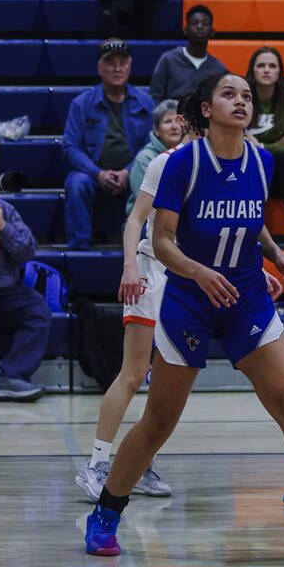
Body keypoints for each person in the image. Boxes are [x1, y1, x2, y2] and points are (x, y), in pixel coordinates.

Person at [83, 74, 284, 558]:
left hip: (246, 296)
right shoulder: (181, 164)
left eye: (247, 96)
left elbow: (250, 223)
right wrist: (201, 273)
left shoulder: (260, 159)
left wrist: (277, 255)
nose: (241, 101)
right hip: (191, 298)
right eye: (229, 94)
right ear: (208, 109)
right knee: (159, 420)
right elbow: (163, 241)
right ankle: (106, 511)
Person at [75, 104, 192, 502]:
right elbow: (134, 220)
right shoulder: (166, 162)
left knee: (166, 379)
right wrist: (129, 268)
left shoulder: (217, 165)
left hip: (186, 276)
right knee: (133, 372)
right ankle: (96, 464)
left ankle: (138, 462)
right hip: (152, 271)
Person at [62, 39, 154, 250]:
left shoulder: (145, 102)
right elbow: (70, 147)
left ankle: (143, 251)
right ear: (99, 68)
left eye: (122, 62)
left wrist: (128, 172)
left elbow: (152, 144)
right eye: (110, 63)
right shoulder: (81, 103)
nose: (117, 68)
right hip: (93, 175)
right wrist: (97, 174)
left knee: (150, 180)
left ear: (130, 67)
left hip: (132, 173)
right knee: (76, 183)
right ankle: (79, 252)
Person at [245, 46, 284, 248]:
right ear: (252, 70)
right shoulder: (242, 99)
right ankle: (248, 230)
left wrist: (261, 144)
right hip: (247, 170)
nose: (266, 70)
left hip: (279, 177)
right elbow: (237, 142)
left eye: (272, 66)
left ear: (279, 71)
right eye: (260, 65)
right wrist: (278, 144)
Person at [0, 198, 49, 401]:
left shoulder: (3, 209)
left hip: (5, 291)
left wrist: (2, 226)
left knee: (37, 311)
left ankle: (10, 377)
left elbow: (27, 252)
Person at [149, 6, 227, 105]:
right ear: (185, 30)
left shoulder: (218, 68)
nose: (199, 26)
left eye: (205, 24)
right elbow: (155, 96)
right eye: (194, 23)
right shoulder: (169, 59)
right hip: (173, 117)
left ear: (212, 32)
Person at [127, 98, 182, 213]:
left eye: (177, 121)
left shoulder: (191, 153)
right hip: (145, 222)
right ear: (156, 130)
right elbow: (147, 207)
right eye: (167, 122)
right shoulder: (144, 159)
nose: (174, 126)